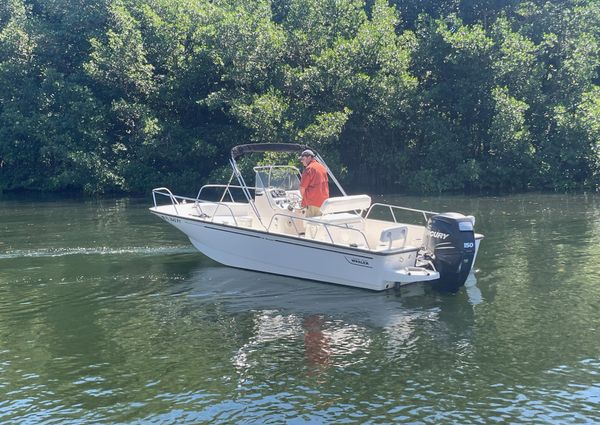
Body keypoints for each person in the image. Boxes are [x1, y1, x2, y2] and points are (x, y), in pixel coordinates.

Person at [299, 149, 329, 217]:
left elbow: (302, 188)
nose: (302, 161)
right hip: (324, 202)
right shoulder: (322, 167)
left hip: (313, 203)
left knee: (310, 225)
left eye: (303, 159)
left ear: (309, 157)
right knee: (320, 223)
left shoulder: (309, 169)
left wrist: (305, 200)